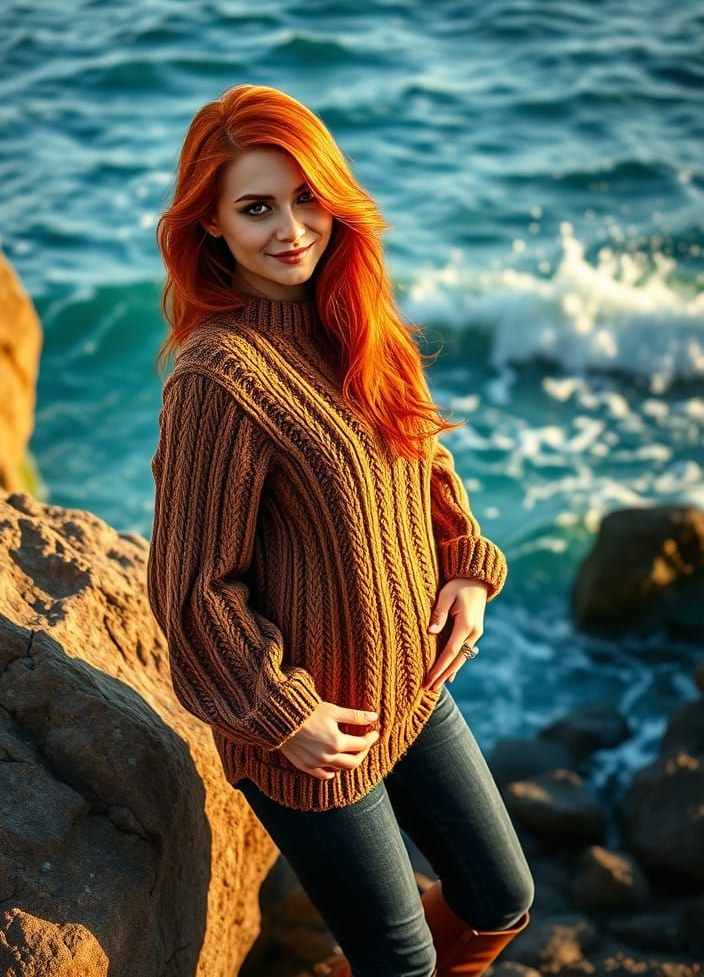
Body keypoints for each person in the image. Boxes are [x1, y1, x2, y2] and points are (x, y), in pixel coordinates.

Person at [146, 83, 534, 977]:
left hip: (413, 684)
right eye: (257, 208)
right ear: (211, 224)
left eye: (307, 197)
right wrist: (283, 715)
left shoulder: (352, 314)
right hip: (315, 732)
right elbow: (192, 588)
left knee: (502, 897)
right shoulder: (219, 378)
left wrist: (465, 565)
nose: (291, 230)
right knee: (401, 964)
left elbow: (421, 453)